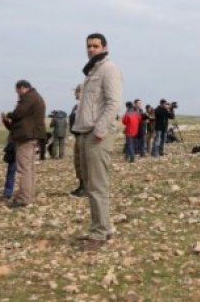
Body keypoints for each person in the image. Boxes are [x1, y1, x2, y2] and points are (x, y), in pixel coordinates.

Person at [72, 33, 122, 251]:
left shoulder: (109, 69)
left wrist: (100, 130)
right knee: (89, 184)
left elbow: (113, 102)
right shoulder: (92, 71)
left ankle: (99, 233)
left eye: (95, 46)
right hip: (85, 132)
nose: (91, 49)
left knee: (96, 185)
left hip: (97, 134)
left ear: (104, 47)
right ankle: (101, 227)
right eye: (89, 46)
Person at [1, 80, 46, 208]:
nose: (18, 95)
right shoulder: (36, 97)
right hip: (31, 137)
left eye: (17, 91)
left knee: (24, 169)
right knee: (29, 168)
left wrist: (8, 115)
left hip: (26, 138)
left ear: (22, 88)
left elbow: (18, 113)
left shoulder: (29, 97)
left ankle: (24, 198)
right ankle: (28, 196)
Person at [69, 84, 86, 197]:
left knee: (83, 162)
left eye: (77, 91)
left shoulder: (86, 105)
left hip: (83, 136)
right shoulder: (76, 106)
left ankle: (85, 187)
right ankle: (81, 185)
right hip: (77, 135)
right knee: (78, 162)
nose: (75, 93)